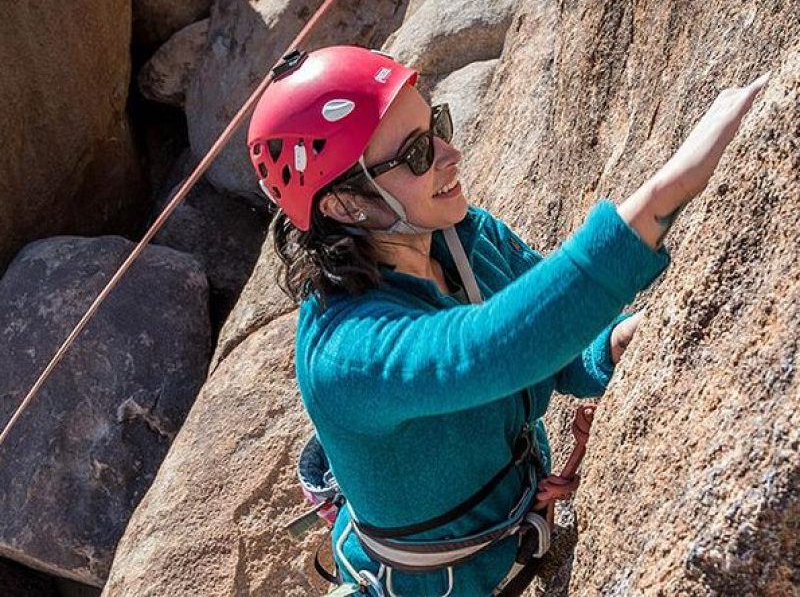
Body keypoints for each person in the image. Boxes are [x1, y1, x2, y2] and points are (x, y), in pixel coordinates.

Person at [247, 45, 768, 596]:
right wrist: (669, 190)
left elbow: (557, 341)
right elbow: (484, 351)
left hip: (518, 530)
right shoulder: (345, 355)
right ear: (347, 206)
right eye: (418, 153)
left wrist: (611, 344)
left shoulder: (461, 238)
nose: (452, 155)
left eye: (437, 125)